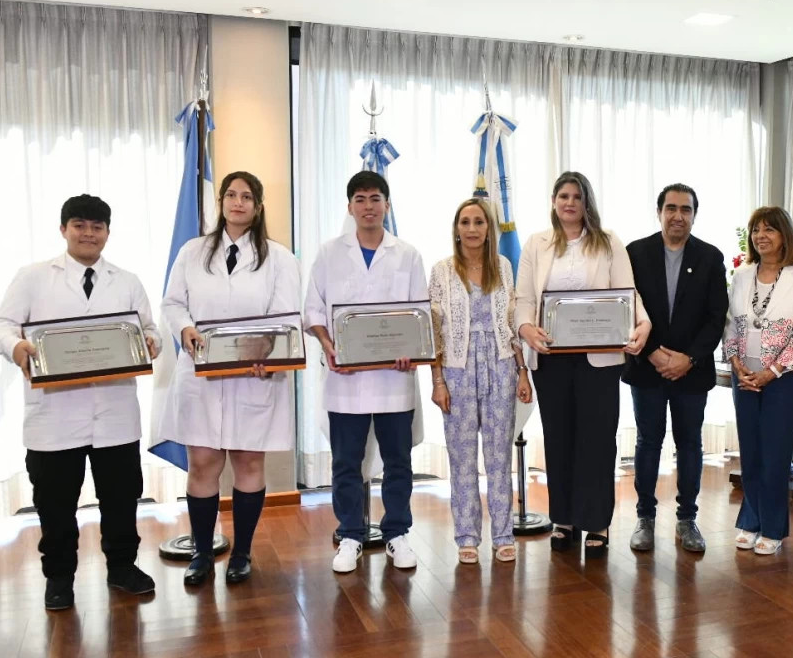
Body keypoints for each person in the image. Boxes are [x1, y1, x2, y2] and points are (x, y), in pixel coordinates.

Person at [0, 194, 161, 610]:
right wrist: (17, 348)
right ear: (63, 229)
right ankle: (59, 578)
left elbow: (149, 330)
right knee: (55, 505)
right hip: (54, 417)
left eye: (97, 227)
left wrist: (151, 343)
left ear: (107, 233)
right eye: (79, 225)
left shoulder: (127, 281)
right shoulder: (32, 278)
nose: (88, 234)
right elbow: (0, 327)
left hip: (115, 415)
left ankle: (122, 567)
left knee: (121, 499)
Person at [160, 171, 301, 586]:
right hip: (201, 372)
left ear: (258, 206)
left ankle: (241, 553)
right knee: (203, 463)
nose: (238, 203)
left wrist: (270, 355)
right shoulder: (192, 252)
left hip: (254, 376)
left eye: (247, 197)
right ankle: (202, 553)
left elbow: (286, 317)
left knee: (248, 462)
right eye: (231, 195)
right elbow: (172, 303)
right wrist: (185, 328)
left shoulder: (280, 258)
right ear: (220, 202)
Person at [515, 171, 651, 559]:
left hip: (600, 359)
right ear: (553, 201)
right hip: (551, 358)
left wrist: (644, 323)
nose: (570, 203)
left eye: (577, 196)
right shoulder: (536, 244)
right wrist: (525, 328)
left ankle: (596, 521)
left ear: (587, 202)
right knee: (559, 437)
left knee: (597, 438)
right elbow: (524, 298)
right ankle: (564, 518)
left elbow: (628, 293)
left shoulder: (609, 242)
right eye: (563, 196)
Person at [305, 170, 428, 574]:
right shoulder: (329, 253)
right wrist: (328, 344)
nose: (368, 206)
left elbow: (419, 312)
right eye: (360, 199)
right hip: (346, 380)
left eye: (375, 198)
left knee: (398, 462)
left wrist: (411, 348)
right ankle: (351, 535)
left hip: (395, 378)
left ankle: (397, 533)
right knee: (346, 463)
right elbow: (313, 310)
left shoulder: (407, 254)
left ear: (387, 205)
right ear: (350, 207)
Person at [623, 183, 727, 553]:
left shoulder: (710, 257)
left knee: (690, 443)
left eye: (685, 209)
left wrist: (689, 359)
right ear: (659, 212)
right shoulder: (635, 253)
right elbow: (626, 307)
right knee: (648, 442)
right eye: (671, 208)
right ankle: (645, 518)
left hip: (691, 371)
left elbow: (716, 318)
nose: (678, 216)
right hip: (646, 367)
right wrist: (652, 353)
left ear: (694, 215)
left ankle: (687, 519)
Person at [429, 199, 532, 564]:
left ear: (489, 229)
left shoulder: (503, 266)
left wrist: (522, 371)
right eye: (465, 222)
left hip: (501, 366)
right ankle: (467, 536)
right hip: (456, 370)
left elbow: (512, 321)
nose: (472, 229)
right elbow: (434, 331)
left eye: (479, 222)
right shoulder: (441, 271)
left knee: (499, 456)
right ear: (456, 229)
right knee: (462, 457)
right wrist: (437, 381)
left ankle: (503, 534)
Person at [723, 206, 793, 555]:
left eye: (769, 230)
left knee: (775, 456)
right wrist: (736, 364)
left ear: (784, 235)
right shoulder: (742, 275)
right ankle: (751, 520)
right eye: (756, 230)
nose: (761, 236)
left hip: (783, 379)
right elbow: (731, 326)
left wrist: (770, 373)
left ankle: (773, 527)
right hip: (745, 377)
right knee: (751, 453)